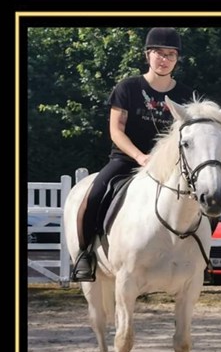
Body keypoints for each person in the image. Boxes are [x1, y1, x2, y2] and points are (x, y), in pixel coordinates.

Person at [72, 27, 195, 282]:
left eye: (171, 55)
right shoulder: (127, 87)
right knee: (94, 194)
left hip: (170, 167)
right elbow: (116, 131)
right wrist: (140, 157)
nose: (165, 59)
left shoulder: (185, 95)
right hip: (127, 159)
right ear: (147, 55)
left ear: (177, 59)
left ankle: (200, 259)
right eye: (159, 53)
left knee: (204, 199)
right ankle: (85, 255)